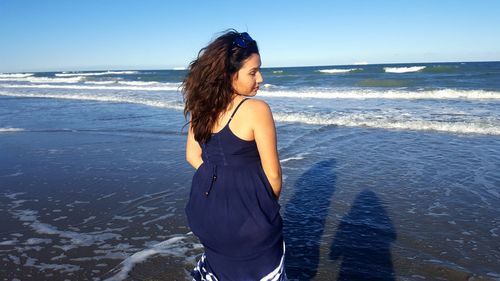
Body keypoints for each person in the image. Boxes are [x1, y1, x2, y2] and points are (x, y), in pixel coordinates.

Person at [182, 30, 287, 281]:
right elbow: (273, 175)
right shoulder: (256, 109)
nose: (260, 78)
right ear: (229, 74)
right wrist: (259, 205)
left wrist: (218, 181)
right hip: (248, 222)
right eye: (253, 72)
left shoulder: (202, 106)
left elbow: (192, 155)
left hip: (205, 211)